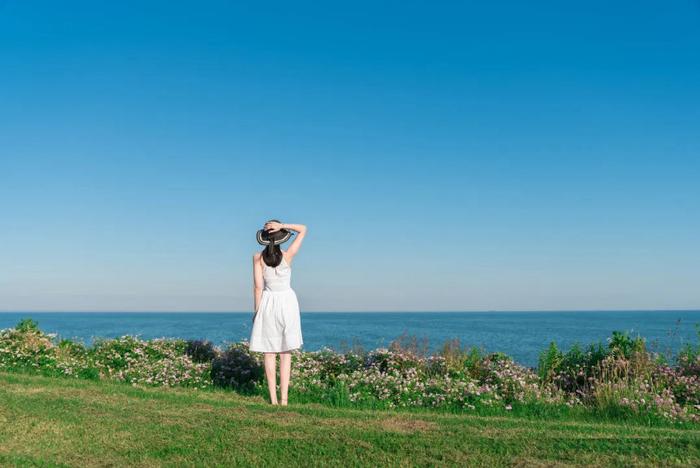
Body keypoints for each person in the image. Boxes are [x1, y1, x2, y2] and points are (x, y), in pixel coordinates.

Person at [249, 219, 307, 406]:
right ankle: (284, 400)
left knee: (269, 352)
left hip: (268, 302)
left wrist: (257, 312)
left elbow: (258, 288)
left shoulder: (257, 257)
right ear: (281, 236)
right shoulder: (288, 255)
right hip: (287, 303)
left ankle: (273, 400)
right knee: (285, 353)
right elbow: (303, 229)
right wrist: (284, 226)